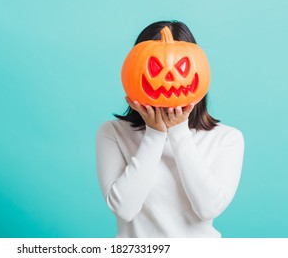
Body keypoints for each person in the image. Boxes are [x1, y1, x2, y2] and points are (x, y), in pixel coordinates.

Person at [96, 20, 244, 238]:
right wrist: (155, 134)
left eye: (181, 67)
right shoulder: (113, 133)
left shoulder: (227, 138)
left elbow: (208, 208)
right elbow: (124, 210)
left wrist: (178, 131)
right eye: (155, 66)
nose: (168, 78)